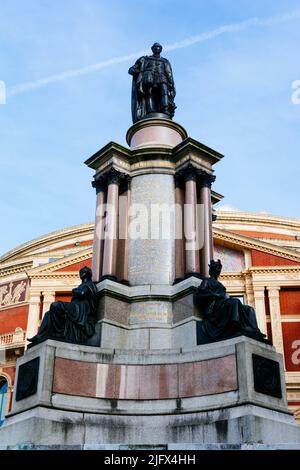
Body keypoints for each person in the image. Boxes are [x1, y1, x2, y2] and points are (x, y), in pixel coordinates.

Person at [194, 260, 269, 344]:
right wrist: (214, 294)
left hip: (223, 306)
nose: (218, 270)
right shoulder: (206, 281)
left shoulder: (221, 285)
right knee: (235, 301)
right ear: (212, 270)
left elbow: (226, 297)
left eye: (219, 268)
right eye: (216, 268)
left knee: (249, 309)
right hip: (214, 308)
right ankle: (235, 327)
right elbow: (200, 294)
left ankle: (255, 331)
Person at [28, 266, 97, 347]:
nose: (81, 274)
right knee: (48, 314)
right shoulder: (82, 285)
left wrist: (74, 290)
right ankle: (40, 336)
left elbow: (82, 293)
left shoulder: (90, 284)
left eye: (83, 272)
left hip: (80, 309)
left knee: (56, 305)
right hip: (76, 307)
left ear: (88, 274)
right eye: (80, 272)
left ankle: (58, 332)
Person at [128, 42, 176, 122]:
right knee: (149, 94)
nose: (157, 48)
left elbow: (169, 73)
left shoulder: (165, 61)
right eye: (155, 47)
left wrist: (172, 84)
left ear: (161, 49)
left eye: (158, 47)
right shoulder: (145, 59)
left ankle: (165, 109)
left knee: (164, 93)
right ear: (152, 49)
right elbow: (132, 69)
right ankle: (150, 110)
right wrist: (138, 71)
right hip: (148, 78)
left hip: (162, 78)